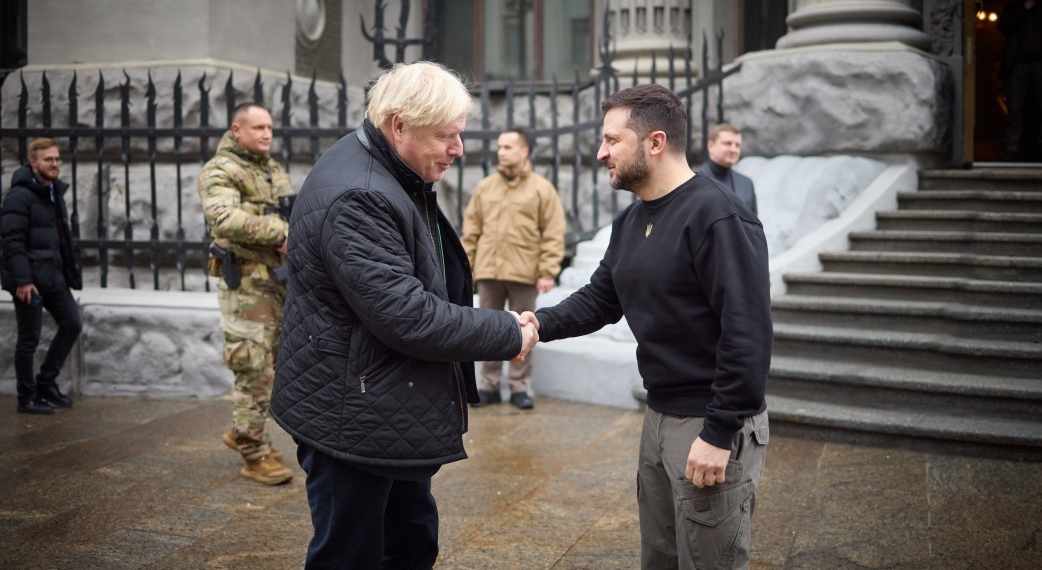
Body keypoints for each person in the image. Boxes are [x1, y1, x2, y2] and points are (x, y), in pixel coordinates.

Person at [269, 61, 539, 569]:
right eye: (446, 136)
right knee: (351, 555)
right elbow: (407, 316)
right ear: (399, 126)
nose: (458, 149)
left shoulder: (386, 167)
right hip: (350, 418)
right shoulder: (360, 194)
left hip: (381, 406)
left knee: (411, 541)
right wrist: (506, 330)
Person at [522, 84, 772, 570]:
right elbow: (601, 297)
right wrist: (536, 324)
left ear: (655, 143)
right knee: (660, 557)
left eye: (612, 140)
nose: (600, 153)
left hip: (710, 421)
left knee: (708, 561)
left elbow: (748, 334)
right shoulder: (631, 221)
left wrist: (719, 434)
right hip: (659, 418)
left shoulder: (719, 216)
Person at [197, 102, 295, 485]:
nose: (267, 134)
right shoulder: (220, 170)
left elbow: (290, 210)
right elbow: (223, 219)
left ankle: (243, 430)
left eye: (270, 127)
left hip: (277, 281)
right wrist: (281, 234)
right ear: (236, 131)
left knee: (273, 365)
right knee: (252, 367)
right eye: (258, 128)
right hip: (246, 286)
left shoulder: (271, 168)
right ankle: (255, 455)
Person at [461, 128, 567, 410]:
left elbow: (553, 232)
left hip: (523, 273)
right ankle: (489, 385)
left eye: (508, 147)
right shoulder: (485, 187)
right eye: (499, 146)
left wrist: (547, 270)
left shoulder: (541, 189)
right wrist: (468, 264)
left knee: (525, 331)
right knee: (486, 331)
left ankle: (519, 386)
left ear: (524, 152)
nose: (501, 151)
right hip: (488, 273)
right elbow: (471, 231)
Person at [1, 138, 83, 415]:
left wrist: (68, 273)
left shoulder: (53, 192)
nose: (55, 164)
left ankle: (46, 382)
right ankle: (26, 397)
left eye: (57, 159)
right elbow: (12, 242)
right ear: (33, 162)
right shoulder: (19, 197)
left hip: (53, 278)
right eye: (48, 159)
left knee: (72, 323)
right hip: (30, 284)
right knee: (29, 339)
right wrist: (23, 280)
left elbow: (60, 239)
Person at [999, 0, 1042, 162]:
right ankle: (1012, 149)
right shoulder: (1015, 5)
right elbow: (1003, 27)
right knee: (1015, 108)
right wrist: (1024, 10)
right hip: (1019, 63)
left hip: (1040, 62)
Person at [695, 123, 757, 215]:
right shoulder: (692, 179)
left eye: (737, 145)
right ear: (710, 146)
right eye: (728, 143)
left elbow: (754, 226)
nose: (733, 150)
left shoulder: (746, 183)